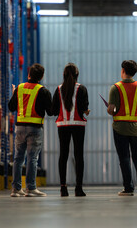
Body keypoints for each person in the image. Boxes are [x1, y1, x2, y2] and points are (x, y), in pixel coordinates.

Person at [107, 60, 137, 196]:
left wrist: (111, 110)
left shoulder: (115, 88)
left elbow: (112, 109)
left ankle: (128, 188)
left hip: (120, 128)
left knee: (124, 158)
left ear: (123, 71)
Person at [8, 63, 52, 197]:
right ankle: (31, 188)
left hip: (20, 127)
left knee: (18, 158)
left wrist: (14, 93)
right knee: (32, 158)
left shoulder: (20, 88)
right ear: (41, 77)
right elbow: (50, 111)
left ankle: (16, 189)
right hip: (35, 128)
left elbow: (11, 107)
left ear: (28, 74)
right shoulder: (43, 91)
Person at [52, 63, 90, 197]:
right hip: (78, 125)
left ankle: (63, 188)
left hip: (62, 125)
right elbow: (84, 107)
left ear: (63, 75)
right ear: (77, 75)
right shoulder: (82, 89)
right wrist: (86, 111)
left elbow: (54, 110)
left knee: (63, 155)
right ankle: (78, 188)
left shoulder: (58, 89)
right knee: (78, 156)